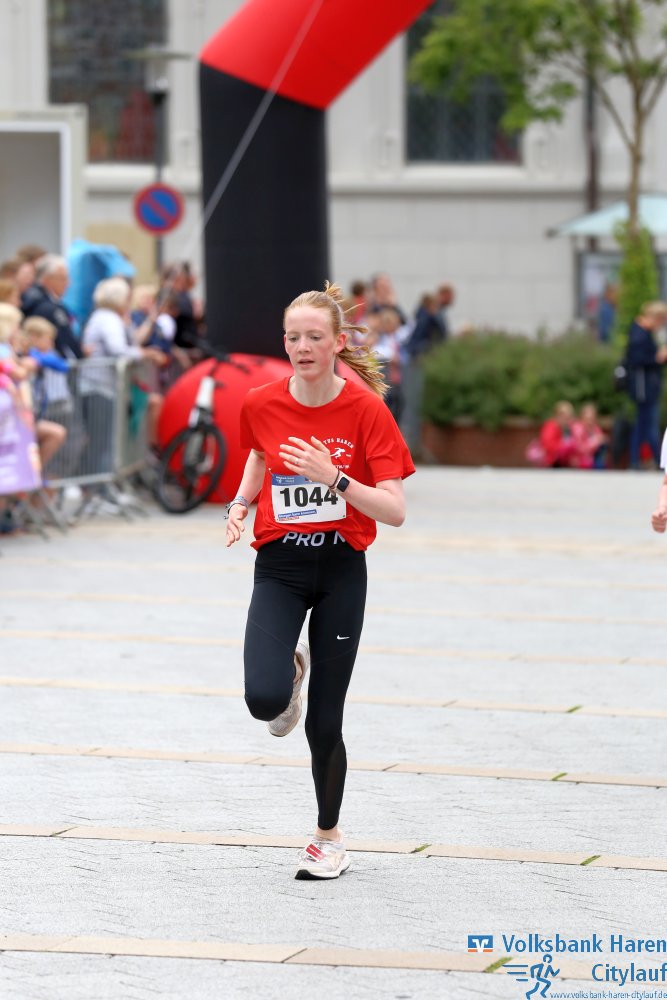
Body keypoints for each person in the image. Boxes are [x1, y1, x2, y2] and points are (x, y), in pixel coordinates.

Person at [226, 281, 414, 880]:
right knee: (263, 700)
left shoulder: (365, 410)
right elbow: (261, 453)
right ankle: (290, 671)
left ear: (337, 344)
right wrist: (240, 503)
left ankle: (328, 838)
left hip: (340, 570)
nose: (302, 347)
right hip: (279, 566)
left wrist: (335, 479)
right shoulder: (260, 401)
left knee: (325, 721)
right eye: (293, 337)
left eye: (314, 337)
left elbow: (395, 509)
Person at [625, 301, 667, 469]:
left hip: (649, 386)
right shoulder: (639, 333)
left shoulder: (646, 333)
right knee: (647, 423)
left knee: (645, 423)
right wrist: (657, 358)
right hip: (643, 387)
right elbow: (637, 359)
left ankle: (640, 460)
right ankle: (651, 459)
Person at [571, 403, 607, 469]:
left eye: (592, 419)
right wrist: (594, 441)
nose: (590, 422)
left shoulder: (595, 428)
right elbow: (579, 449)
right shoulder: (577, 428)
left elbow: (601, 439)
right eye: (588, 419)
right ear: (582, 417)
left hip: (592, 460)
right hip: (579, 461)